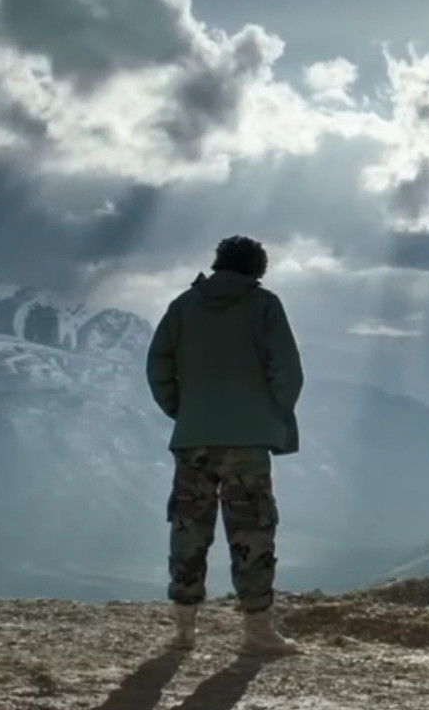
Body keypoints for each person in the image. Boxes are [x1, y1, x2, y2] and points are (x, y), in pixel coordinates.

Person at [146, 235, 304, 655]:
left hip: (193, 437)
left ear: (218, 263)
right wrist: (271, 414)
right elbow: (288, 370)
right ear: (257, 269)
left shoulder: (182, 306)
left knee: (188, 528)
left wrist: (182, 410)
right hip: (248, 442)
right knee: (252, 530)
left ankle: (183, 630)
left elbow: (158, 364)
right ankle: (257, 631)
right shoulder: (264, 305)